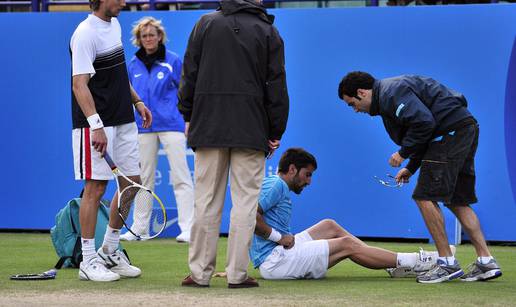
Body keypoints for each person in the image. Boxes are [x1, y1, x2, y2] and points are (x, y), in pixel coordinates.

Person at [337, 71, 502, 283]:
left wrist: (402, 154)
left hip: (448, 134)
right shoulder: (388, 95)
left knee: (424, 197)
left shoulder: (390, 94)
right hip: (463, 128)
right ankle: (486, 261)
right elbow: (424, 130)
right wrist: (411, 167)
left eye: (352, 104)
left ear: (361, 92)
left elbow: (424, 124)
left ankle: (446, 264)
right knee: (457, 200)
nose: (355, 110)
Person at [178, 0, 289, 288]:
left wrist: (188, 113)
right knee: (245, 204)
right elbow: (276, 84)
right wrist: (276, 128)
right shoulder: (268, 31)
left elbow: (189, 72)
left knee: (205, 202)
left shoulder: (205, 23)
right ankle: (238, 275)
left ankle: (200, 273)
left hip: (208, 124)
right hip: (251, 128)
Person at [251, 148, 439, 280]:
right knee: (347, 245)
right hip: (275, 262)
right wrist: (279, 237)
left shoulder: (277, 184)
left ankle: (386, 261)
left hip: (280, 252)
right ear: (292, 169)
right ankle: (413, 261)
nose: (309, 181)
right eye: (307, 174)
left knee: (329, 225)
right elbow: (250, 218)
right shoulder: (276, 185)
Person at [70, 0, 152, 282]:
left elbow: (118, 76)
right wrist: (96, 125)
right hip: (96, 124)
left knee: (132, 183)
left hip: (124, 118)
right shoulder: (84, 33)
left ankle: (110, 250)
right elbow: (79, 84)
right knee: (95, 187)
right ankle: (88, 259)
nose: (124, 2)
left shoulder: (115, 25)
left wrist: (137, 101)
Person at [121, 17, 194, 243]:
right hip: (143, 127)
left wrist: (188, 120)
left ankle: (188, 228)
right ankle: (140, 227)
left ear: (159, 36)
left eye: (152, 35)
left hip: (172, 124)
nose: (149, 39)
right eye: (144, 36)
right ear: (139, 39)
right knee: (143, 179)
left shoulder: (172, 61)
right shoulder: (132, 65)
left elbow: (185, 91)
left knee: (181, 176)